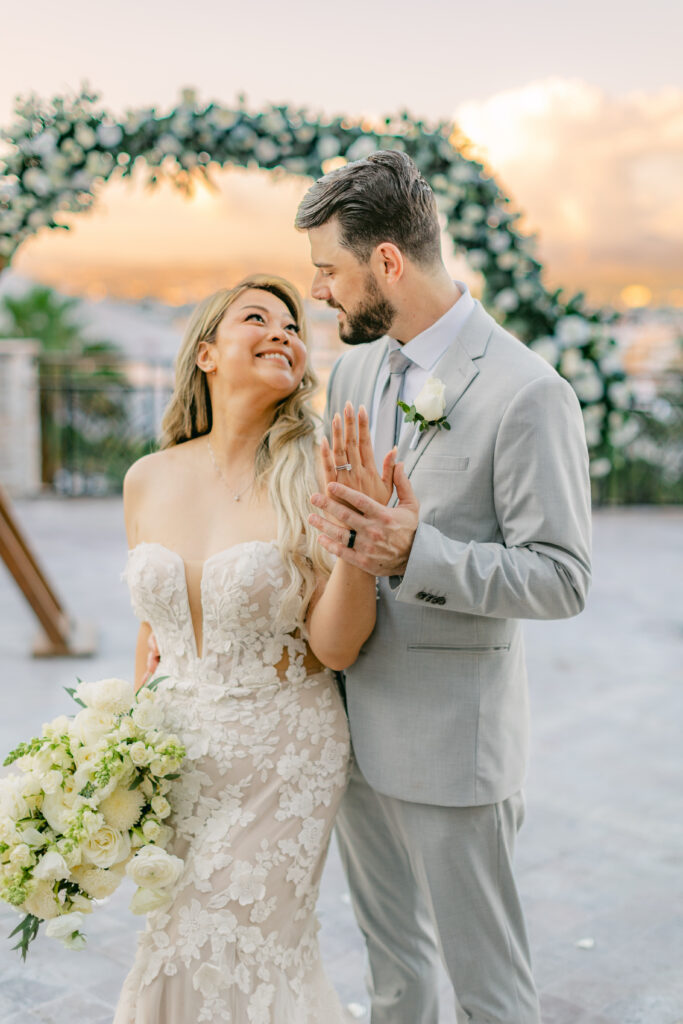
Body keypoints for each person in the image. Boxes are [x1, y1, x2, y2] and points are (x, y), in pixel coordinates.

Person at [295, 151, 592, 1024]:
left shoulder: (528, 393)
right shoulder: (354, 372)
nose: (317, 290)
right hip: (351, 733)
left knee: (489, 995)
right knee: (396, 981)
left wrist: (414, 553)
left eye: (328, 269)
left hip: (451, 752)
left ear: (386, 261)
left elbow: (561, 578)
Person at [113, 274, 394, 1023]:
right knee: (172, 939)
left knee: (238, 946)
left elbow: (335, 649)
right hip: (173, 753)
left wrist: (358, 549)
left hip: (283, 755)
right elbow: (151, 630)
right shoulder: (146, 479)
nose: (283, 333)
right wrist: (123, 746)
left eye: (294, 326)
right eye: (257, 318)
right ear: (206, 354)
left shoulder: (317, 472)